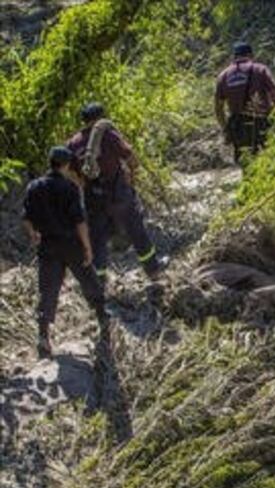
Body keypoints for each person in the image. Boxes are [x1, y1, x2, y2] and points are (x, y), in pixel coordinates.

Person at [22, 146, 109, 359]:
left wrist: (34, 235)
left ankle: (43, 337)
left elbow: (26, 218)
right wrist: (87, 248)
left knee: (48, 290)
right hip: (71, 244)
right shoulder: (69, 187)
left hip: (48, 246)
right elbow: (80, 222)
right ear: (67, 165)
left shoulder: (34, 187)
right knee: (89, 280)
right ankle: (103, 322)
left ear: (50, 162)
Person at [66, 102, 167, 283]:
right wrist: (132, 178)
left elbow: (70, 172)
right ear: (100, 117)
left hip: (93, 198)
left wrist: (83, 184)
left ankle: (98, 285)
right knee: (137, 232)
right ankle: (154, 273)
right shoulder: (108, 135)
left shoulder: (74, 143)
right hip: (119, 194)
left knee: (98, 241)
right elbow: (132, 159)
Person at [214, 41, 275, 163]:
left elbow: (218, 108)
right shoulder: (260, 70)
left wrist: (226, 128)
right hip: (262, 123)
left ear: (234, 57)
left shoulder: (223, 76)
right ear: (251, 55)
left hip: (238, 126)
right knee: (269, 161)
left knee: (246, 163)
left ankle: (250, 181)